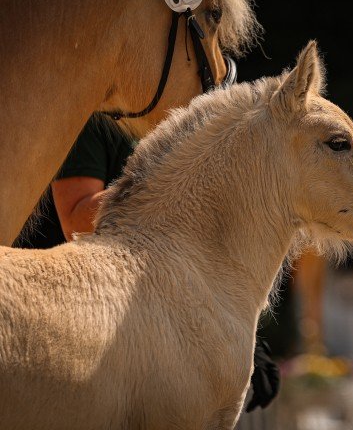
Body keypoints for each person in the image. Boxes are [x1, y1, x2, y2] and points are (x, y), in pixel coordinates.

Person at [15, 112, 279, 412]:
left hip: (185, 325)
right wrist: (177, 181)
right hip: (106, 326)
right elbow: (76, 219)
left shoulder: (201, 121)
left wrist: (245, 334)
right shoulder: (97, 122)